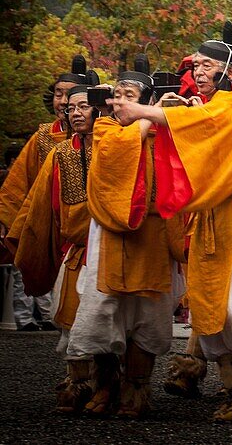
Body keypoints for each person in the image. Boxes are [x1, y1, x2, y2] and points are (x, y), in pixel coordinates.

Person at [112, 21, 232, 423]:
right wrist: (171, 111)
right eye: (197, 67)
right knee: (208, 313)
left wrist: (143, 111)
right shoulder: (204, 108)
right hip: (207, 219)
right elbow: (195, 134)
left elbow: (206, 127)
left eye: (208, 65)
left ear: (229, 69)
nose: (199, 72)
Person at [64, 56, 187, 419]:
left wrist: (156, 119)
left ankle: (136, 387)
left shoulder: (161, 129)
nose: (118, 102)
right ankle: (105, 384)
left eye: (128, 95)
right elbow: (115, 157)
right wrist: (148, 119)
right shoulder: (106, 130)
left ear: (145, 99)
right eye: (116, 95)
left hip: (151, 234)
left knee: (147, 312)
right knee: (104, 310)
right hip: (111, 233)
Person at [8, 78, 100, 412]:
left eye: (80, 105)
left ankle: (115, 385)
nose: (71, 109)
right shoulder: (54, 145)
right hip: (71, 245)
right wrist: (21, 229)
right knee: (71, 316)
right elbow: (33, 195)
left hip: (111, 245)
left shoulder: (115, 142)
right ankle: (78, 382)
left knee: (114, 321)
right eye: (66, 102)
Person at [0, 58, 90, 331]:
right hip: (47, 220)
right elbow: (18, 184)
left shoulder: (103, 137)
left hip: (83, 228)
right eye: (59, 94)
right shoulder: (42, 137)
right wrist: (6, 219)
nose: (63, 102)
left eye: (71, 95)